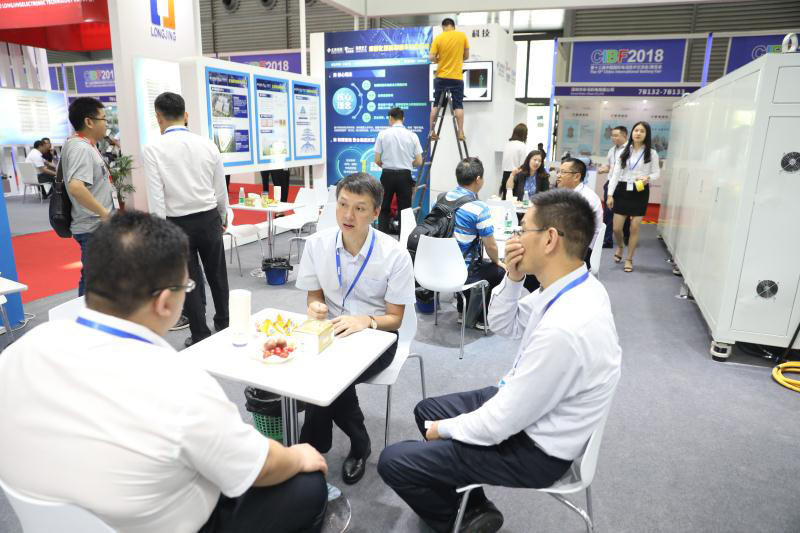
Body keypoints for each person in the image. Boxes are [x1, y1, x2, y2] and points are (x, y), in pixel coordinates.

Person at [0, 211, 328, 533]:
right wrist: (297, 457)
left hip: (44, 521)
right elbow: (260, 468)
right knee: (308, 484)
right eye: (186, 286)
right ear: (165, 302)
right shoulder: (180, 383)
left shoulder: (19, 352)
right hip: (172, 523)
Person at [378, 189, 622, 533]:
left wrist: (443, 430)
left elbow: (500, 423)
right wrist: (514, 277)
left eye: (523, 229)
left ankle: (456, 521)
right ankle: (473, 506)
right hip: (533, 411)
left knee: (394, 461)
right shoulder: (573, 285)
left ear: (549, 239)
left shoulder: (566, 328)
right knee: (426, 410)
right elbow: (504, 324)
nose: (515, 238)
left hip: (538, 449)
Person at [295, 173, 416, 487]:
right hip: (331, 331)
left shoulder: (395, 255)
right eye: (343, 204)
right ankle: (347, 442)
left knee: (330, 376)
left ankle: (318, 446)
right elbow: (314, 295)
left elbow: (395, 319)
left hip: (377, 338)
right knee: (314, 366)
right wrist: (316, 307)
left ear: (376, 213)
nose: (348, 215)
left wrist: (366, 321)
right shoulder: (317, 245)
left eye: (360, 208)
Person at [143, 91, 230, 346]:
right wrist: (222, 216)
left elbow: (156, 197)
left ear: (158, 118)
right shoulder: (208, 144)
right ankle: (225, 324)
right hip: (209, 217)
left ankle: (200, 334)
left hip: (177, 224)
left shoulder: (153, 149)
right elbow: (220, 188)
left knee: (188, 282)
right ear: (186, 115)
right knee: (218, 275)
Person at [62, 96, 115, 296]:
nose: (106, 124)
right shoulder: (80, 148)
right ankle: (86, 314)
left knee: (97, 277)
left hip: (95, 225)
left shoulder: (84, 145)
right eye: (104, 119)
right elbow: (76, 187)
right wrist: (104, 213)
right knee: (94, 280)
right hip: (93, 226)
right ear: (89, 122)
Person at [444, 157, 504, 327]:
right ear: (478, 179)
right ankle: (481, 320)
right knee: (499, 271)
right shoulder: (479, 208)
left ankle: (462, 312)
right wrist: (498, 262)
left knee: (468, 258)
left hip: (437, 268)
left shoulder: (440, 200)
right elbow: (490, 245)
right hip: (463, 272)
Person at [607, 121, 660, 273]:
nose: (638, 133)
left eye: (642, 131)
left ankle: (629, 259)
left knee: (634, 228)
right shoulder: (624, 151)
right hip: (623, 189)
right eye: (636, 130)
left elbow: (656, 173)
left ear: (646, 134)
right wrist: (610, 194)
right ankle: (620, 246)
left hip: (640, 190)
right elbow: (615, 174)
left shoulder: (652, 153)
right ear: (632, 133)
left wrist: (648, 177)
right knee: (616, 228)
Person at [374, 107, 423, 234]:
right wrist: (408, 164)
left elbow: (377, 160)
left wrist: (387, 166)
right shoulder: (412, 136)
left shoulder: (382, 134)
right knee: (405, 210)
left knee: (384, 207)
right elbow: (419, 161)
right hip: (405, 176)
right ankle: (404, 240)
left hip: (387, 175)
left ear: (390, 118)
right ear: (403, 119)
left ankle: (382, 237)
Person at [556, 157, 603, 270]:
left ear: (577, 176)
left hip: (581, 251)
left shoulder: (585, 199)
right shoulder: (567, 193)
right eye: (559, 171)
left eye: (563, 172)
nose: (558, 175)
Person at [429, 18, 469, 141]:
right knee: (458, 105)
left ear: (443, 27)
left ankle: (432, 131)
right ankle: (460, 132)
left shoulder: (438, 38)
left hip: (441, 77)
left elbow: (431, 57)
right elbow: (466, 56)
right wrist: (457, 59)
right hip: (456, 78)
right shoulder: (462, 36)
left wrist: (439, 60)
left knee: (436, 104)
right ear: (453, 26)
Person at [598, 125, 629, 249]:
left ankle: (626, 236)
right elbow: (610, 166)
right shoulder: (612, 150)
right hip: (611, 183)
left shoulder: (630, 150)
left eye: (616, 135)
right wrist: (603, 169)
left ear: (624, 136)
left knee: (624, 212)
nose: (613, 138)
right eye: (612, 135)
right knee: (608, 212)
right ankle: (607, 240)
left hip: (624, 185)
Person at [499, 123, 527, 200]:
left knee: (505, 199)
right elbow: (522, 165)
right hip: (516, 175)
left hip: (505, 174)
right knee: (515, 200)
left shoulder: (507, 144)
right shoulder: (522, 145)